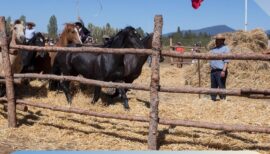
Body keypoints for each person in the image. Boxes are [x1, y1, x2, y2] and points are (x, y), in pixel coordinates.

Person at [209, 34, 230, 101]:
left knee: (221, 85)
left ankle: (223, 98)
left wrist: (224, 70)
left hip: (221, 70)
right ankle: (213, 98)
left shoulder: (226, 49)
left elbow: (226, 61)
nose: (216, 41)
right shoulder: (213, 49)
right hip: (213, 70)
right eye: (216, 40)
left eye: (218, 40)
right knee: (213, 86)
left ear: (222, 41)